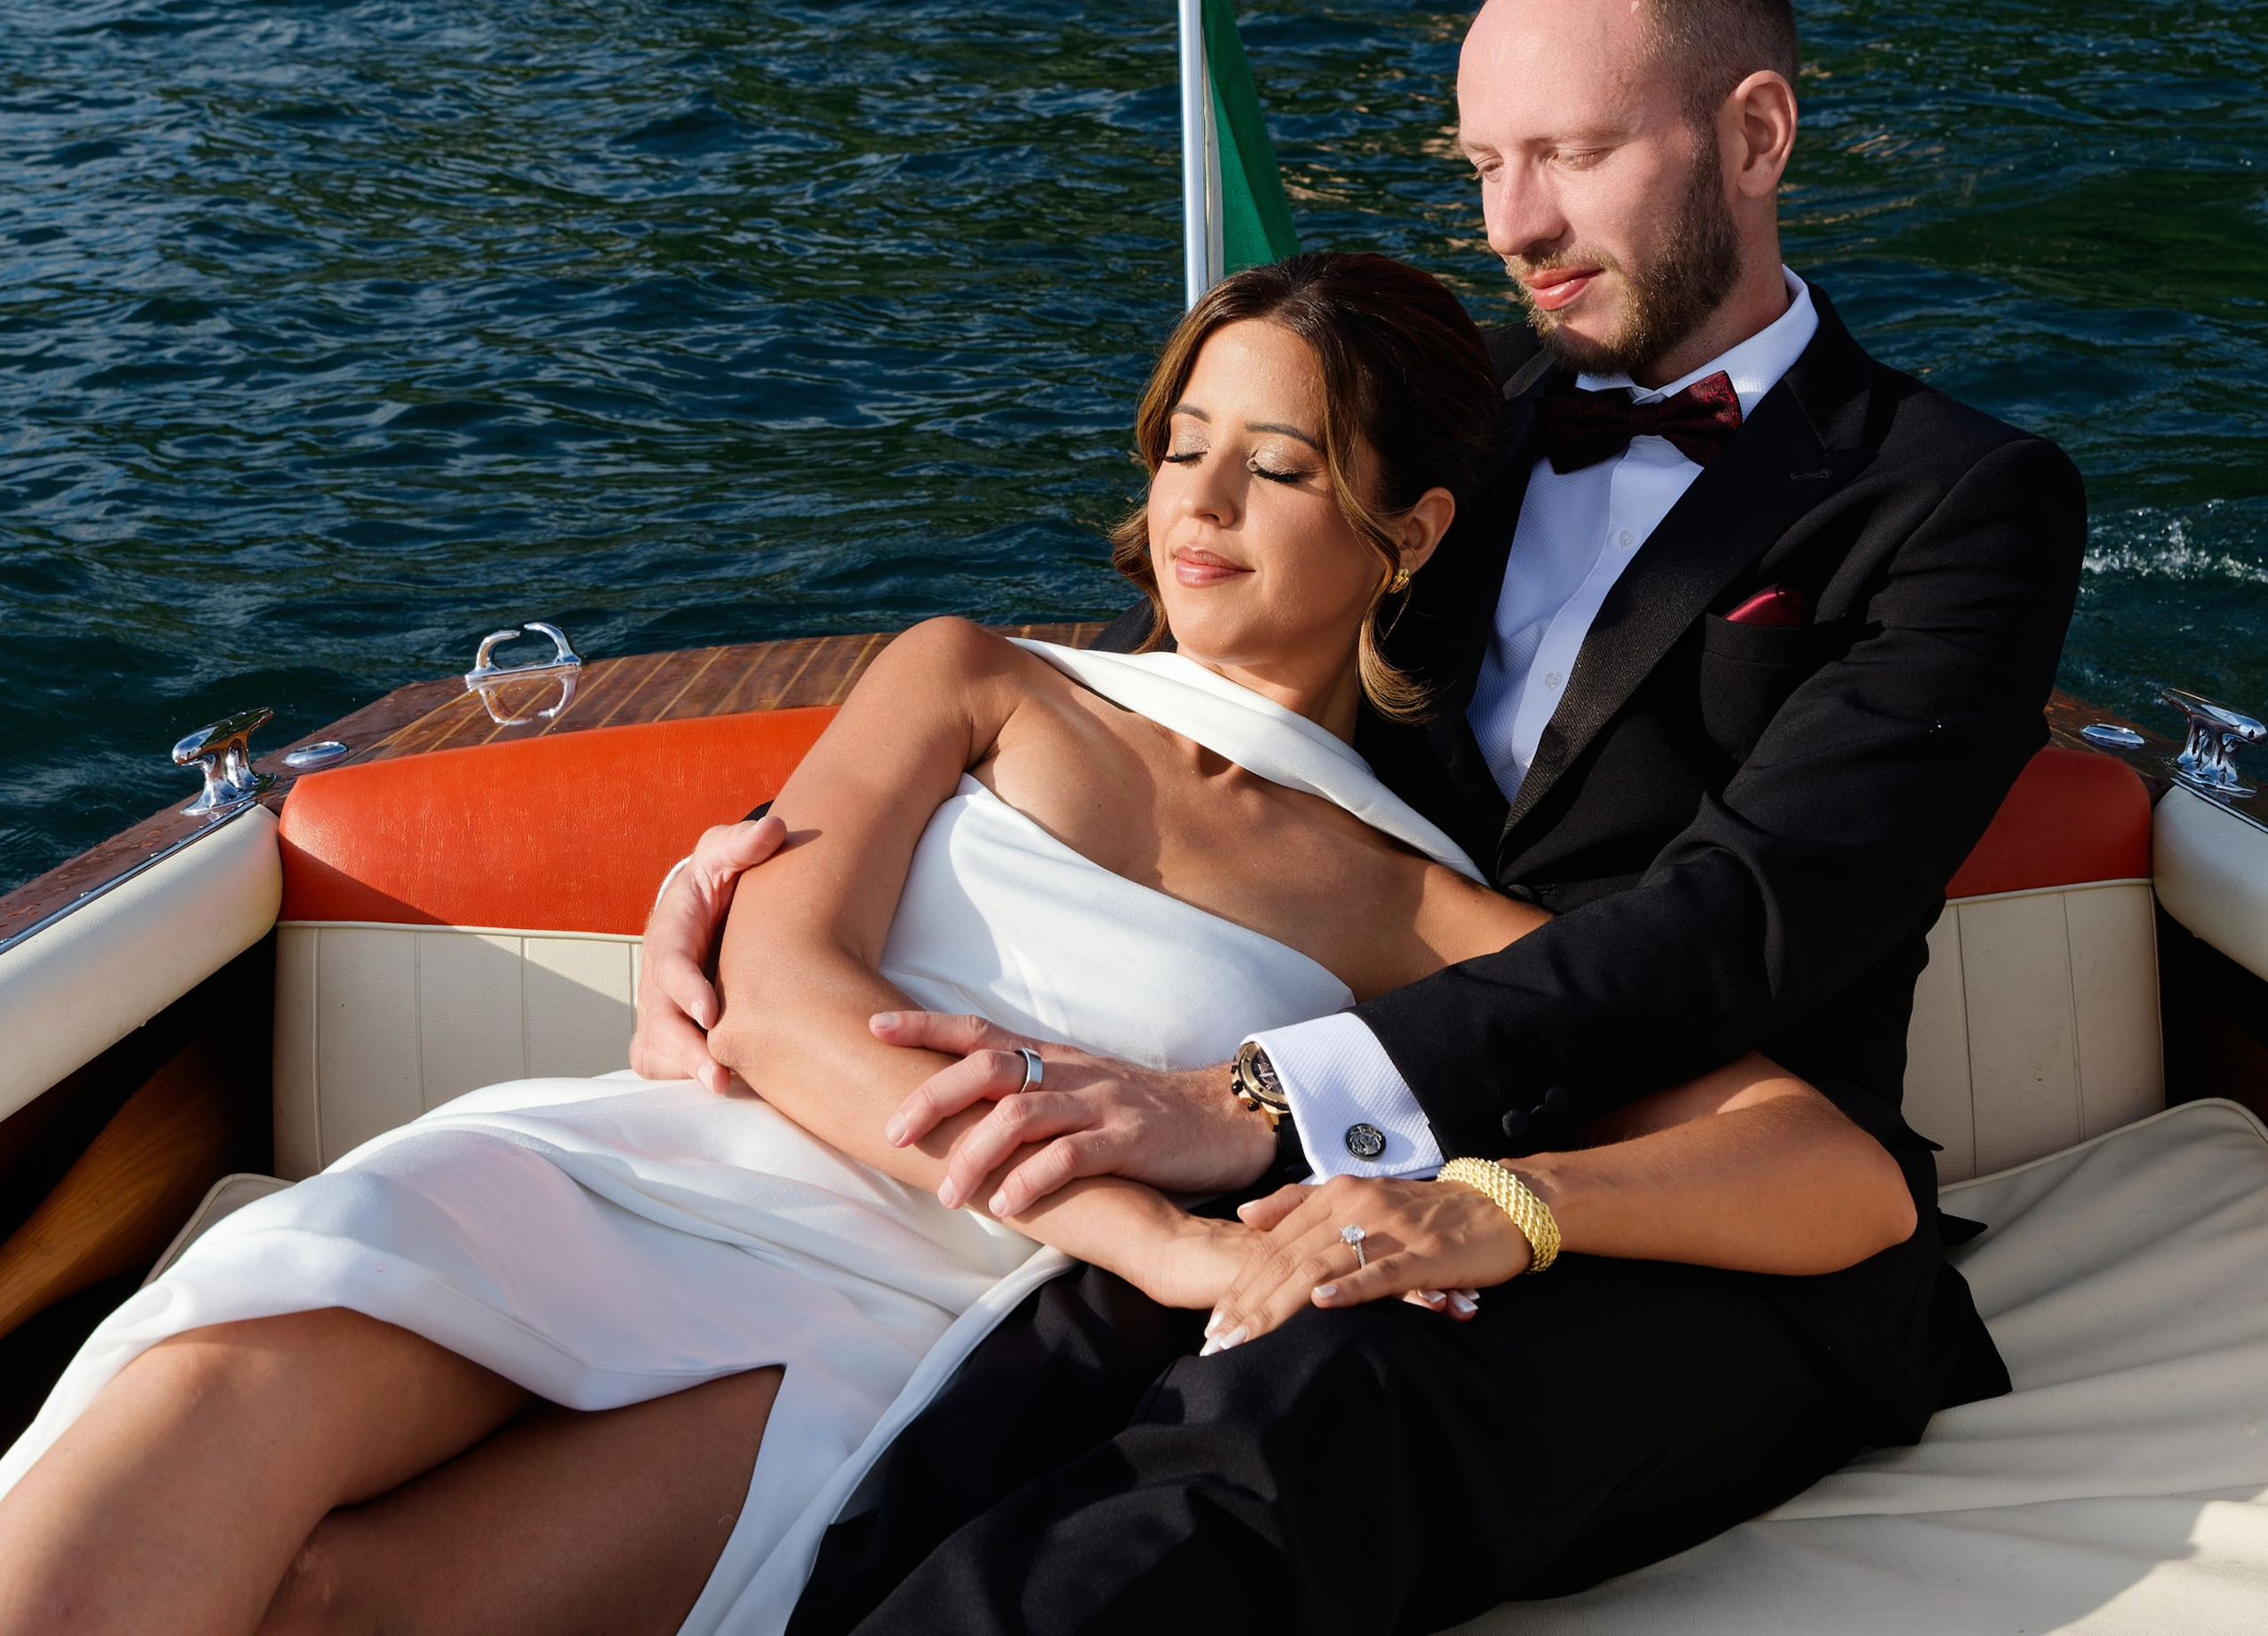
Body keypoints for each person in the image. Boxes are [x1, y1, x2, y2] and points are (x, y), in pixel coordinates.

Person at [0, 251, 1928, 1636]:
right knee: (202, 1411)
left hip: (914, 1324)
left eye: (1279, 464)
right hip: (664, 1163)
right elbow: (783, 997)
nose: (1200, 506)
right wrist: (1163, 1238)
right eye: (1185, 444)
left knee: (346, 1605)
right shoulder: (975, 680)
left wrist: (1492, 1209)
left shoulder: (1414, 900)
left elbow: (1831, 1179)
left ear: (1408, 532)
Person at [637, 0, 2087, 1636]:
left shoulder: (1956, 501)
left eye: (1569, 153)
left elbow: (1748, 916)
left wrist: (1251, 1096)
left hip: (1721, 1197)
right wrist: (752, 865)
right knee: (945, 1438)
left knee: (1275, 1443)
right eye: (1480, 163)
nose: (1514, 226)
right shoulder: (1436, 409)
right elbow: (1194, 675)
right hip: (1331, 1138)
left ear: (1753, 135)